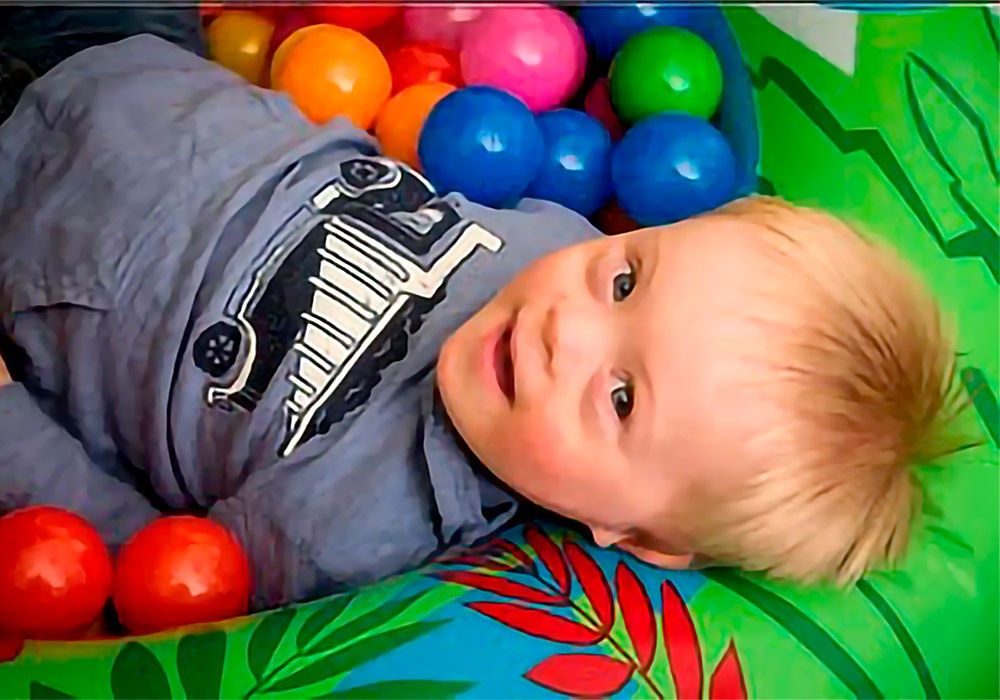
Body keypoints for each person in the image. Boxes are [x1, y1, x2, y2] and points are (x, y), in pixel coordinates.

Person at [0, 8, 968, 610]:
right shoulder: (556, 244)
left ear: (636, 535)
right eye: (628, 280)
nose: (565, 326)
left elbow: (140, 558)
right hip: (134, 65)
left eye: (622, 398)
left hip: (28, 237)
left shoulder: (351, 533)